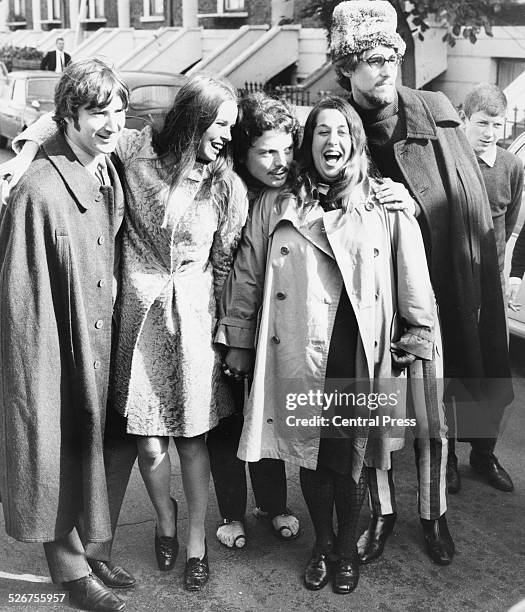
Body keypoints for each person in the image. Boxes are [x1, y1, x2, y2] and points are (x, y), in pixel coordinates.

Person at [7, 73, 249, 592]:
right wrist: (24, 151)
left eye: (232, 126)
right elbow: (79, 120)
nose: (228, 134)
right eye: (221, 123)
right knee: (146, 444)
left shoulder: (227, 184)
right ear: (194, 118)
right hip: (135, 323)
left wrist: (229, 335)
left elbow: (228, 265)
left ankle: (195, 543)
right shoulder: (136, 152)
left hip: (194, 326)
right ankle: (164, 520)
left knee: (192, 443)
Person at [217, 95, 439, 594]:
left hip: (358, 347)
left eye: (341, 131)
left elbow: (412, 271)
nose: (331, 141)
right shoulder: (279, 202)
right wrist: (238, 338)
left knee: (351, 455)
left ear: (355, 141)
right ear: (308, 143)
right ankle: (321, 545)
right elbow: (250, 273)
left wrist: (418, 331)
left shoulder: (384, 200)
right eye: (321, 132)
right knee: (310, 454)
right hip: (298, 345)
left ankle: (345, 552)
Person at [330, 0, 512, 565]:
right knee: (383, 419)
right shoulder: (339, 123)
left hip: (440, 293)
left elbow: (465, 202)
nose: (384, 70)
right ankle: (383, 515)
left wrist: (415, 206)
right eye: (369, 60)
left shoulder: (435, 110)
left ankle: (441, 505)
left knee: (440, 411)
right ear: (345, 70)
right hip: (372, 301)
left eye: (390, 58)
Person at [0, 59, 135, 612]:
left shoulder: (104, 166)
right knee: (54, 449)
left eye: (118, 110)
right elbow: (21, 298)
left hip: (97, 338)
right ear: (69, 117)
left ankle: (90, 548)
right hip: (56, 344)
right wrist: (36, 371)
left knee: (90, 447)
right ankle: (71, 569)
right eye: (97, 112)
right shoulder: (38, 189)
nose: (111, 122)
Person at [206, 93, 301, 548]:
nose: (280, 161)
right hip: (216, 324)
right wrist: (237, 340)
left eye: (286, 148)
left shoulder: (285, 193)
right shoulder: (227, 186)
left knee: (265, 420)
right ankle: (230, 514)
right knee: (227, 424)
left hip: (267, 328)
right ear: (242, 151)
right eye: (267, 151)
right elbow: (241, 275)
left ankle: (274, 504)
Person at [458, 83, 523, 492]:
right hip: (452, 288)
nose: (489, 132)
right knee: (451, 375)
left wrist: (509, 276)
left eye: (496, 124)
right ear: (464, 120)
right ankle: (443, 459)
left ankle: (483, 454)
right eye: (481, 123)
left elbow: (511, 218)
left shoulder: (511, 166)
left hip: (492, 291)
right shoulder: (449, 161)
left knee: (494, 377)